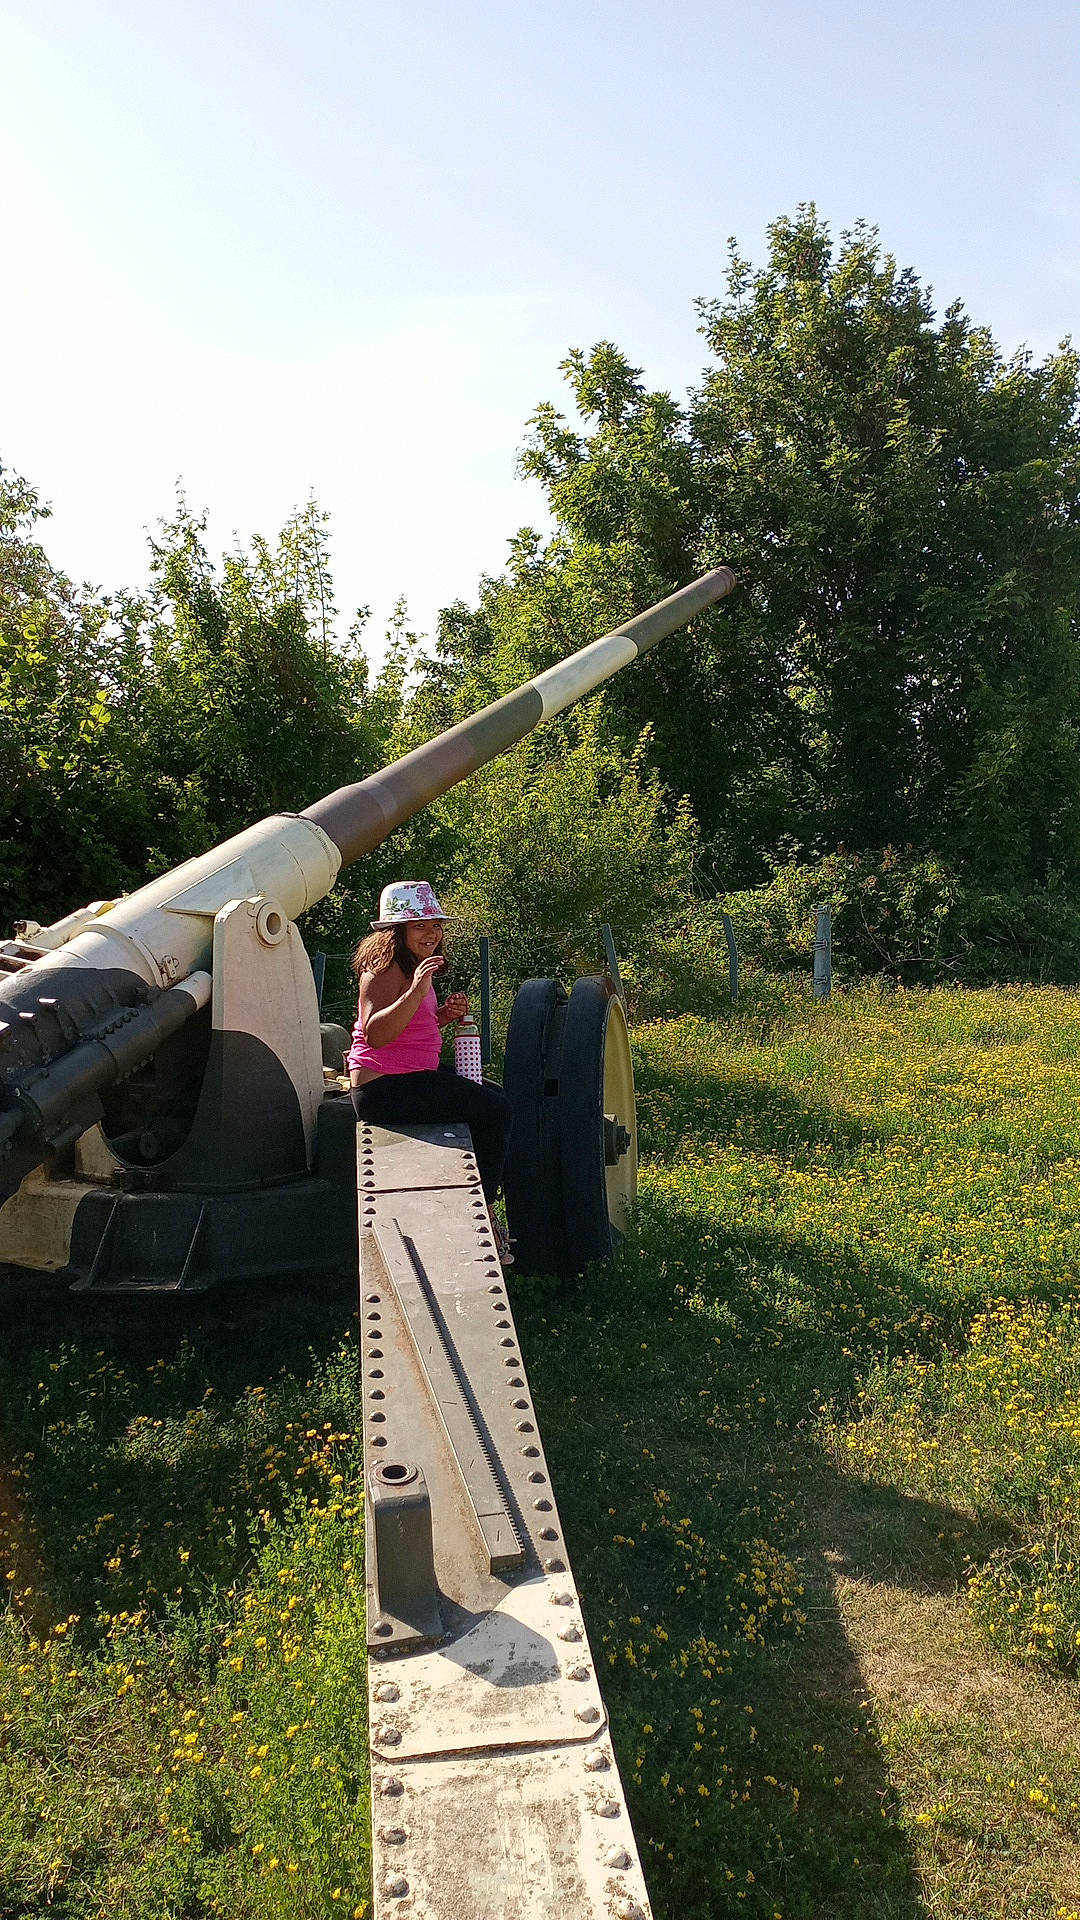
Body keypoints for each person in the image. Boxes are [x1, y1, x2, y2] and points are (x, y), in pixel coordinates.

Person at [347, 881, 514, 1264]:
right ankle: (484, 1213)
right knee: (496, 1112)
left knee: (496, 1096)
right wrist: (418, 989)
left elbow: (408, 1032)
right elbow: (376, 1035)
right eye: (420, 926)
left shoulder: (412, 969)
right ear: (397, 931)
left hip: (407, 1078)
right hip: (383, 1089)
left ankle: (482, 1198)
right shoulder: (383, 970)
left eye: (435, 925)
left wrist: (441, 1016)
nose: (432, 933)